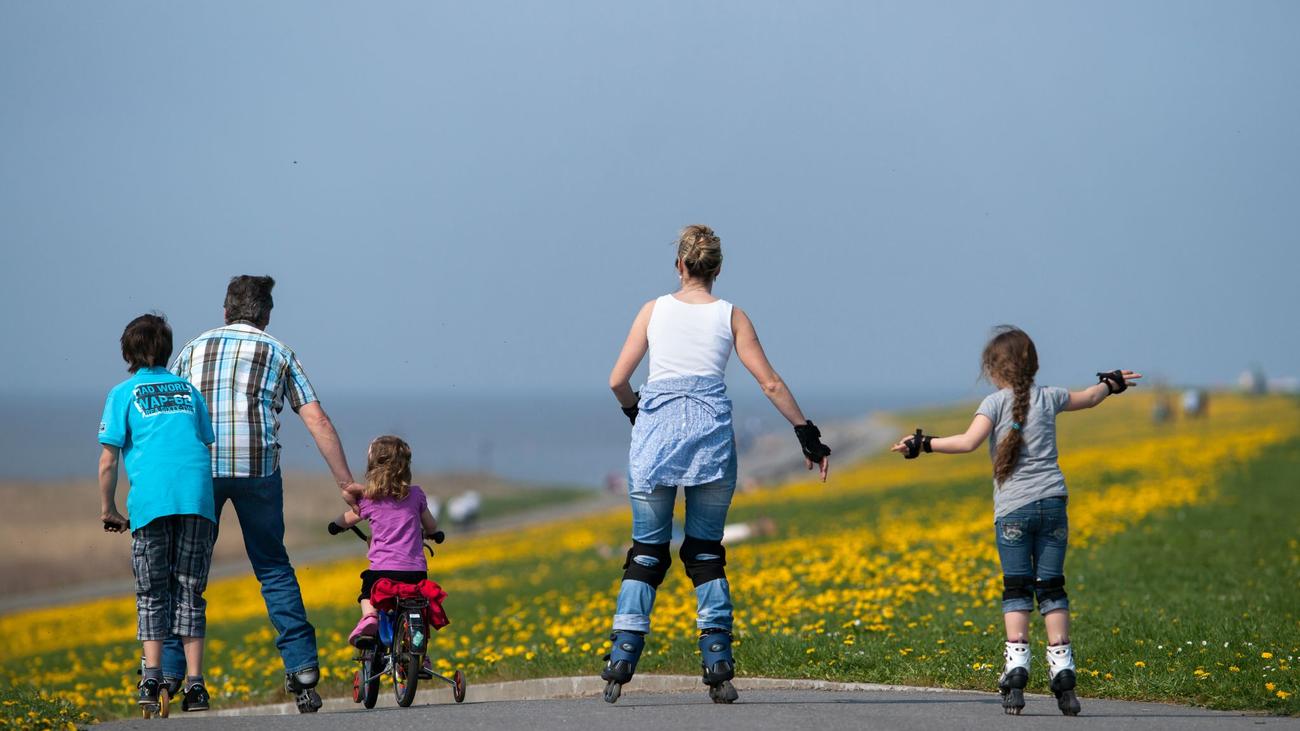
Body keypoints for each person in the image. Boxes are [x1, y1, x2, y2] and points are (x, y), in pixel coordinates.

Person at [600, 225, 832, 704]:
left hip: (655, 443)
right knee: (706, 553)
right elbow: (770, 383)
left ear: (679, 266)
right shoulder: (731, 316)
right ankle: (718, 664)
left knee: (646, 553)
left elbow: (617, 380)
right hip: (710, 444)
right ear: (718, 269)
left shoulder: (652, 310)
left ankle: (622, 657)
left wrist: (637, 413)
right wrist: (806, 433)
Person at [890, 326, 1140, 717]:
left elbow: (967, 442)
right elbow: (1091, 397)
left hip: (1013, 511)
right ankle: (1064, 674)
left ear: (992, 370)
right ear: (1033, 365)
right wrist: (1112, 383)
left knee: (1017, 589)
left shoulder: (993, 403)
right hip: (1054, 504)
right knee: (1052, 588)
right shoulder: (1051, 396)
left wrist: (922, 444)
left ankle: (1017, 668)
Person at [164, 275, 364, 713]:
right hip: (258, 469)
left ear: (225, 310)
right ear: (267, 315)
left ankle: (173, 673)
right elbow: (317, 420)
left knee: (187, 573)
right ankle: (302, 669)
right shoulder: (279, 351)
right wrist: (345, 484)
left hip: (201, 470)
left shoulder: (192, 349)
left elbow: (169, 413)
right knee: (273, 567)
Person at [98, 313, 217, 714]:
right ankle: (196, 685)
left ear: (127, 353)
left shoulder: (123, 393)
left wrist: (109, 509)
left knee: (152, 592)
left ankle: (151, 676)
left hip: (151, 503)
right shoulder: (188, 390)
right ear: (167, 350)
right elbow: (203, 442)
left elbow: (108, 462)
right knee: (189, 590)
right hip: (197, 500)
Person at [328, 436, 446, 676]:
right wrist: (433, 533)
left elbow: (344, 520)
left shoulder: (370, 499)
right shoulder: (416, 495)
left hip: (382, 572)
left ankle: (369, 617)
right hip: (415, 572)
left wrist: (336, 526)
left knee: (367, 591)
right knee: (418, 608)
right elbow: (432, 526)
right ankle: (421, 655)